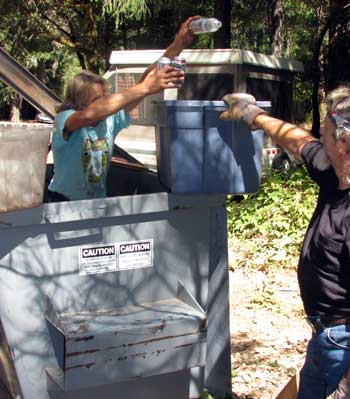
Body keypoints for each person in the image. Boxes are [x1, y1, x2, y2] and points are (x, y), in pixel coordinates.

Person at [220, 87, 350, 399]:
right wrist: (253, 115)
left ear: (344, 140)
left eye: (328, 130)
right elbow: (300, 141)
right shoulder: (335, 175)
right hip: (327, 338)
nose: (320, 134)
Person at [48, 16, 199, 201]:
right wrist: (144, 88)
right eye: (97, 99)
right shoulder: (65, 119)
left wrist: (178, 43)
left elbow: (144, 81)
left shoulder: (110, 119)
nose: (107, 102)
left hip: (96, 204)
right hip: (62, 204)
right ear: (79, 102)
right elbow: (87, 116)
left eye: (106, 96)